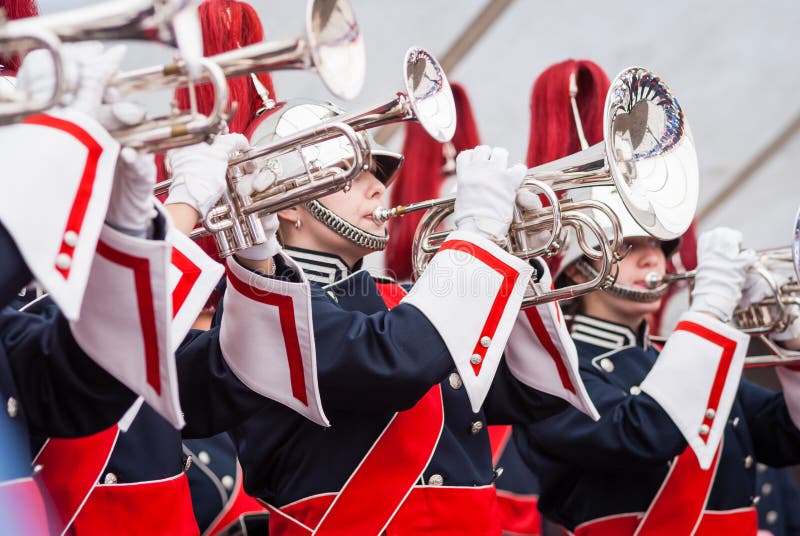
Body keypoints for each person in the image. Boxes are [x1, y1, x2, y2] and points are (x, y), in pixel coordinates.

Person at [199, 94, 601, 535]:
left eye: (377, 173)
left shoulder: (407, 301)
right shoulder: (262, 307)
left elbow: (532, 394)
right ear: (290, 204)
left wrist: (517, 259)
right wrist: (478, 237)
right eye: (350, 174)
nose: (378, 187)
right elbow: (390, 362)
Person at [509, 61, 800, 536]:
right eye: (631, 245)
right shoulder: (551, 373)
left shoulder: (668, 356)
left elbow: (784, 437)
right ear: (579, 266)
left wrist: (789, 341)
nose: (655, 259)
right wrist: (708, 309)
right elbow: (641, 432)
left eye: (662, 245)